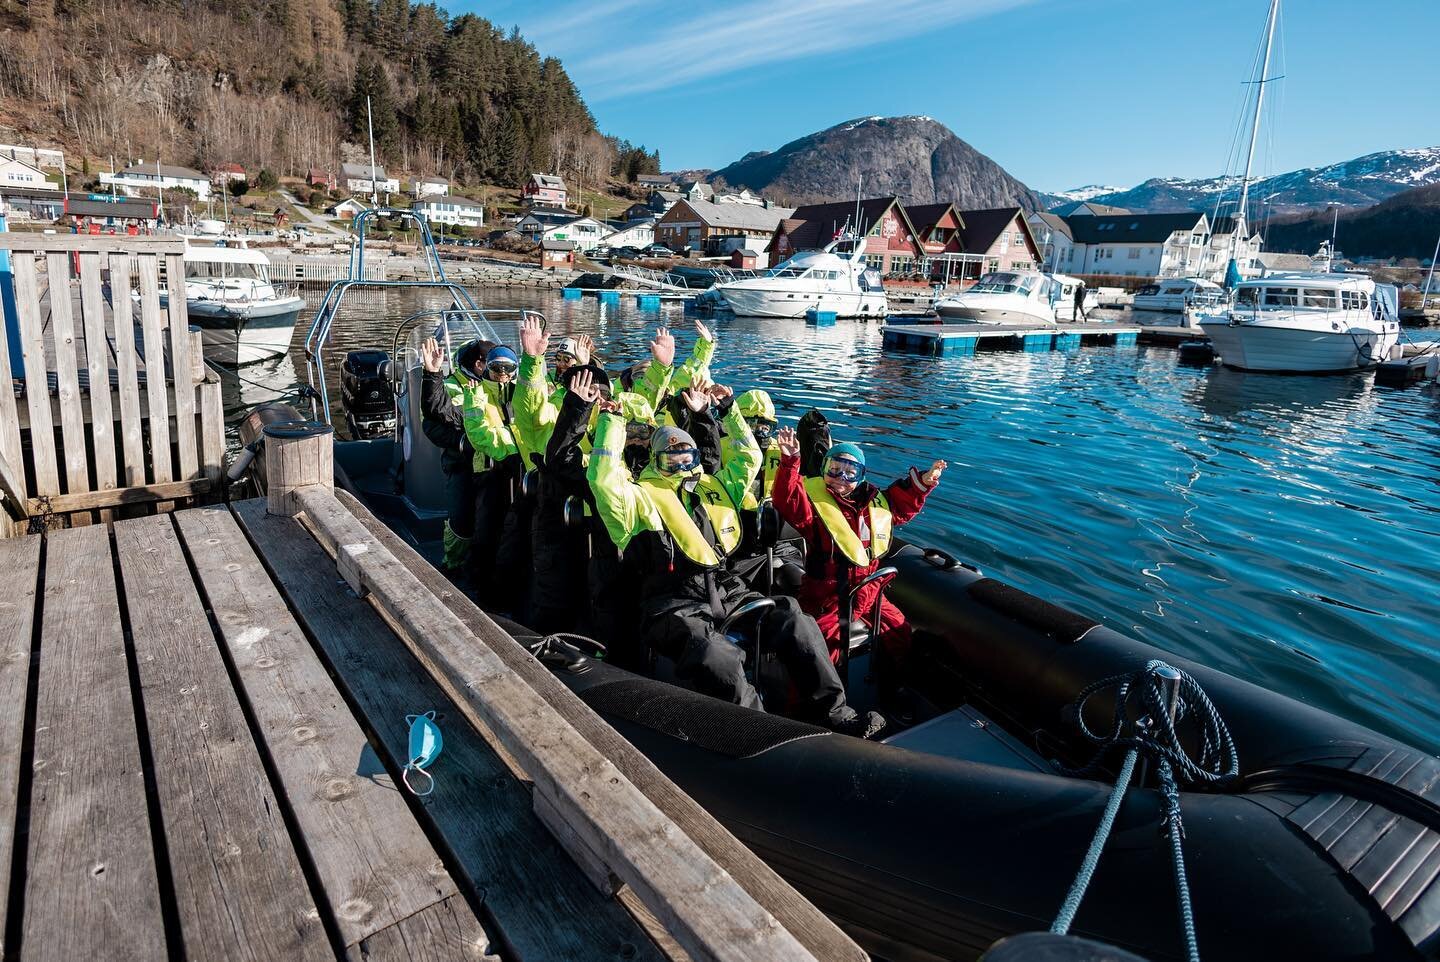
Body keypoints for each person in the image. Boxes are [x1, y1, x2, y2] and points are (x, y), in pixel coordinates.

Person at [587, 387, 884, 737]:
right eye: (673, 460)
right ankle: (759, 731)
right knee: (715, 653)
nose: (683, 466)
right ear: (657, 461)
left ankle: (834, 713)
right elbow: (602, 479)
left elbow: (748, 457)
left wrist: (727, 410)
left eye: (689, 458)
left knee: (793, 617)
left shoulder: (713, 488)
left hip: (726, 589)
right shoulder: (637, 500)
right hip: (672, 603)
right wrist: (611, 420)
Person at [772, 428, 945, 675]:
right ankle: (813, 707)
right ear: (824, 470)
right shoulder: (815, 507)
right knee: (817, 652)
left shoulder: (874, 502)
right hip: (827, 598)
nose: (841, 476)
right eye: (834, 469)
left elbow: (902, 503)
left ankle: (892, 685)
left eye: (850, 472)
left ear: (861, 477)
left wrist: (924, 482)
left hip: (869, 591)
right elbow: (786, 500)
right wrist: (790, 461)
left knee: (899, 629)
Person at [462, 342, 540, 616]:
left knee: (515, 532)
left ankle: (511, 589)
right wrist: (506, 450)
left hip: (519, 471)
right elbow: (477, 431)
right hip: (491, 471)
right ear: (487, 369)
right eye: (496, 369)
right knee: (487, 530)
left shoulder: (521, 393)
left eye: (508, 369)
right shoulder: (477, 392)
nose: (502, 375)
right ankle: (481, 588)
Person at [419, 335, 492, 576]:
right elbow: (432, 421)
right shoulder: (449, 386)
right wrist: (463, 442)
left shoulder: (498, 382)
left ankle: (483, 570)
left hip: (494, 465)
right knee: (461, 519)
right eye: (482, 361)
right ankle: (453, 566)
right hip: (462, 463)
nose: (487, 366)